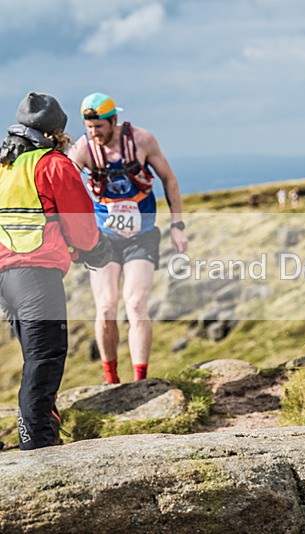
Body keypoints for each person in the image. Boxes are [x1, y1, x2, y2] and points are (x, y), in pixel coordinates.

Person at [0, 92, 112, 449]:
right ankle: (37, 442)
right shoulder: (52, 164)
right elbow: (81, 228)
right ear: (54, 133)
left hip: (5, 277)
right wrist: (93, 251)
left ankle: (35, 429)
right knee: (45, 357)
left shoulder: (4, 166)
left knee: (34, 355)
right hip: (33, 274)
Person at [69, 92, 188, 384]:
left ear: (113, 121)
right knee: (107, 306)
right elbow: (65, 185)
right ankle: (110, 378)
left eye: (99, 126)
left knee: (134, 303)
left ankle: (140, 379)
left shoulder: (142, 140)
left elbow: (169, 179)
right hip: (103, 237)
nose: (94, 132)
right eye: (89, 126)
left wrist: (177, 225)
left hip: (142, 234)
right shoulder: (82, 150)